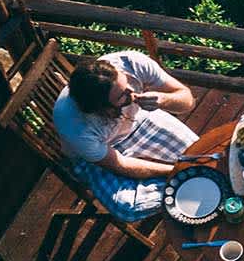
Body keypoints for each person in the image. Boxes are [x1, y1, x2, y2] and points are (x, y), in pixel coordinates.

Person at [53, 50, 197, 222]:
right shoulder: (75, 124)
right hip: (100, 154)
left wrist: (164, 99)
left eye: (126, 83)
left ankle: (185, 183)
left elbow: (187, 101)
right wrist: (174, 170)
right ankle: (187, 185)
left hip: (139, 122)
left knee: (200, 153)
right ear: (103, 109)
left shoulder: (131, 63)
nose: (131, 90)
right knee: (128, 208)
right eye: (123, 95)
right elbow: (120, 165)